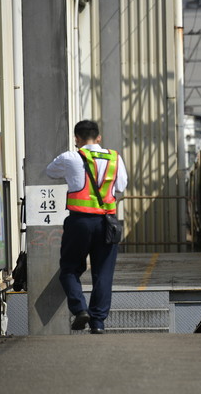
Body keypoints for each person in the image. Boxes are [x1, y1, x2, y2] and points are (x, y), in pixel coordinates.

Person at [46, 120, 128, 334]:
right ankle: (98, 323)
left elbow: (50, 172)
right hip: (107, 223)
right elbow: (121, 186)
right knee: (103, 273)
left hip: (79, 222)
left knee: (70, 269)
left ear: (77, 139)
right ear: (98, 138)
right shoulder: (114, 158)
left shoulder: (70, 157)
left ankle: (80, 308)